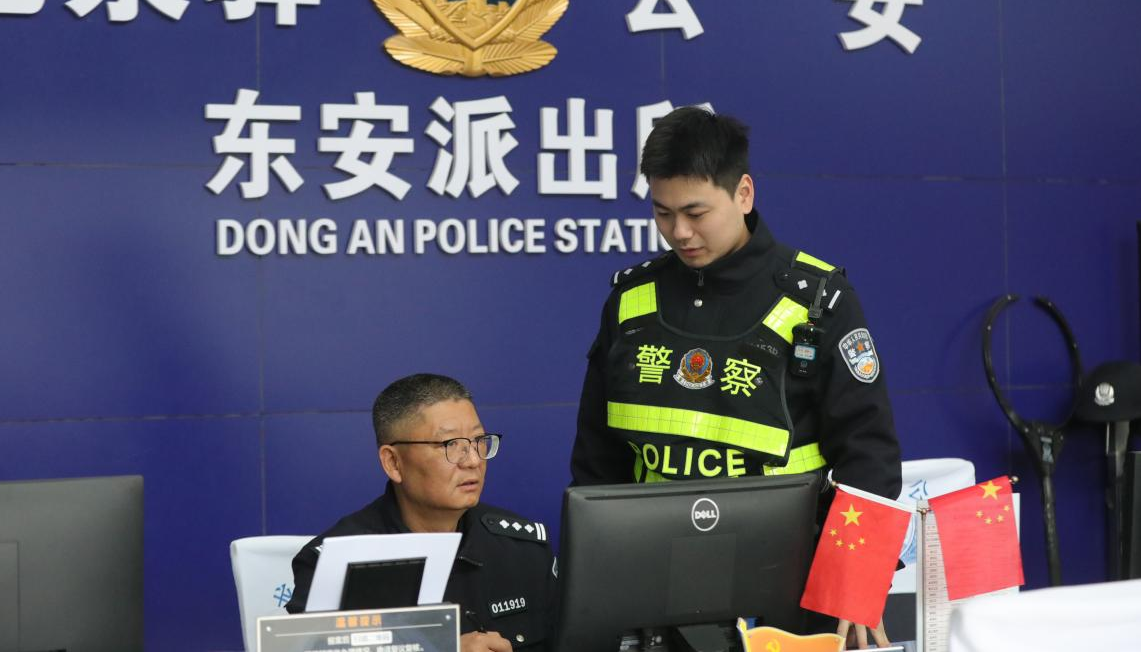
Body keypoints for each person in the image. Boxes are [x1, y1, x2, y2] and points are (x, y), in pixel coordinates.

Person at [569, 106, 901, 648]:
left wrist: (859, 577)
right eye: (662, 213)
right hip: (655, 579)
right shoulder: (631, 299)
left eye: (695, 212)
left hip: (790, 583)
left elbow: (870, 450)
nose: (679, 232)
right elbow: (596, 457)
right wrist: (597, 582)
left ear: (743, 194)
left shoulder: (818, 301)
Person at [287, 373, 555, 652]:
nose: (474, 460)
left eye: (478, 440)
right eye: (450, 444)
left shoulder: (523, 550)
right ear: (393, 463)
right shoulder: (336, 567)